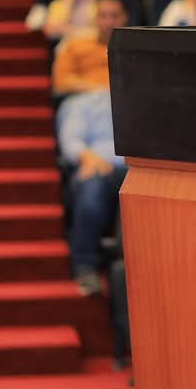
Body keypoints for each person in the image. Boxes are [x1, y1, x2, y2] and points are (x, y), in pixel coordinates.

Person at [57, 87, 127, 295]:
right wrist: (88, 158)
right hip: (97, 166)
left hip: (139, 170)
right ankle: (84, 266)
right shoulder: (84, 104)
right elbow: (71, 141)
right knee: (92, 189)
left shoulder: (146, 104)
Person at [51, 0, 127, 96]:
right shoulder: (75, 45)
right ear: (95, 19)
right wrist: (100, 90)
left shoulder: (136, 50)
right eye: (103, 16)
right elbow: (61, 80)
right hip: (84, 97)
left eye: (115, 16)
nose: (109, 22)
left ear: (124, 18)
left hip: (124, 99)